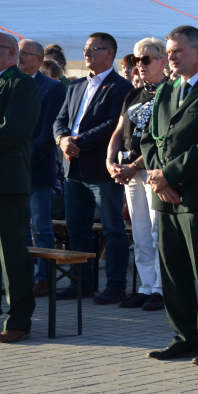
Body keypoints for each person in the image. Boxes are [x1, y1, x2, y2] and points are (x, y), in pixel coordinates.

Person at [141, 25, 198, 365]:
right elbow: (149, 139)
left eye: (177, 51)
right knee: (173, 270)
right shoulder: (164, 91)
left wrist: (171, 175)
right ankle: (184, 336)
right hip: (164, 196)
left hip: (196, 195)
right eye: (169, 51)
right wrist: (158, 179)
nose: (171, 57)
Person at [53, 32, 133, 302]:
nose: (86, 53)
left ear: (109, 54)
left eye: (93, 49)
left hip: (100, 169)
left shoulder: (120, 87)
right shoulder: (75, 86)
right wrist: (63, 140)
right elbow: (60, 119)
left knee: (112, 229)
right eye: (86, 48)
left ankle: (115, 285)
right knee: (77, 229)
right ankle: (81, 283)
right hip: (73, 167)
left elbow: (113, 124)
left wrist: (79, 142)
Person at [0, 32, 40, 343]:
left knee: (11, 256)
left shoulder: (20, 84)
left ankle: (19, 319)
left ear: (11, 54)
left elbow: (12, 130)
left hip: (6, 183)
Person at [106, 38, 167, 312]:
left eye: (145, 60)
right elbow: (119, 131)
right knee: (140, 233)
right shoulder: (133, 94)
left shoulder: (168, 92)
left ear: (162, 61)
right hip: (129, 170)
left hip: (152, 169)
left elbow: (162, 139)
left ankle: (160, 289)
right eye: (135, 61)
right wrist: (110, 161)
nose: (138, 66)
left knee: (156, 231)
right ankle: (145, 285)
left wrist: (136, 166)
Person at [18, 39, 66, 298]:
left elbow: (48, 132)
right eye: (17, 53)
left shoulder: (52, 88)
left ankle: (44, 278)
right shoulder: (12, 83)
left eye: (24, 54)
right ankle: (21, 277)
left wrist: (24, 160)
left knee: (41, 227)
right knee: (20, 227)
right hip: (13, 171)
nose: (19, 58)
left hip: (36, 169)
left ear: (38, 58)